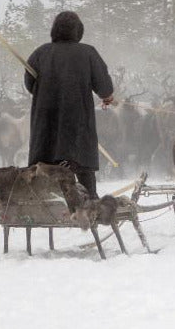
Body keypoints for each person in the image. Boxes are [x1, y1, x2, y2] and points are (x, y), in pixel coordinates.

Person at [24, 11, 114, 199]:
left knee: (42, 167)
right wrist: (107, 97)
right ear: (78, 31)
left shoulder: (40, 53)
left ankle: (41, 203)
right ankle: (89, 203)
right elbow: (104, 87)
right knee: (82, 169)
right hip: (77, 124)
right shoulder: (88, 53)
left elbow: (29, 84)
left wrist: (47, 94)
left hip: (46, 125)